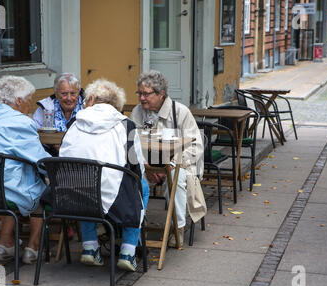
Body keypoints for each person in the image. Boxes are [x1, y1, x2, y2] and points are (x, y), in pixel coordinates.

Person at [59, 79, 150, 272]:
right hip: (114, 199)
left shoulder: (74, 122)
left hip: (71, 196)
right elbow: (136, 167)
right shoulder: (126, 125)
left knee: (83, 181)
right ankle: (128, 251)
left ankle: (90, 248)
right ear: (116, 104)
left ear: (90, 99)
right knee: (142, 186)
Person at [0, 75, 51, 264]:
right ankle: (33, 246)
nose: (29, 105)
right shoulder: (20, 122)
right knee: (41, 189)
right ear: (19, 101)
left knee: (12, 179)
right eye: (29, 100)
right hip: (4, 191)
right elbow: (41, 161)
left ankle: (5, 243)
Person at [131, 70, 204, 247]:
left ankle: (176, 228)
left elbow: (195, 147)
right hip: (147, 166)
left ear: (161, 94)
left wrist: (170, 165)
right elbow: (131, 144)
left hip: (178, 164)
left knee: (175, 179)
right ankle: (133, 228)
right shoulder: (138, 112)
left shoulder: (180, 112)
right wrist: (146, 166)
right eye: (139, 93)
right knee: (128, 178)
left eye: (146, 94)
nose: (141, 98)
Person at [33, 73, 85, 156]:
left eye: (73, 93)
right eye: (64, 94)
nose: (69, 98)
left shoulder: (87, 108)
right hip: (51, 156)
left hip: (81, 156)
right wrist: (50, 144)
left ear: (78, 92)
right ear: (56, 93)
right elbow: (34, 134)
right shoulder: (45, 108)